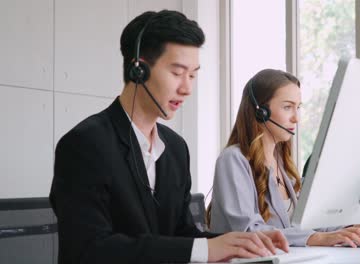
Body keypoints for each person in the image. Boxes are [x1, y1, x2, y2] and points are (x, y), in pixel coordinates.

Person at [49, 10, 288, 264]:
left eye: (193, 75)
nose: (187, 89)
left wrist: (240, 244)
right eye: (177, 73)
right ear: (138, 69)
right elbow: (89, 249)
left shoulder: (175, 148)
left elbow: (181, 235)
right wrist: (207, 249)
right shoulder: (85, 144)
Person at [208, 69, 360, 248]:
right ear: (261, 111)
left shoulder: (283, 165)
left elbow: (309, 227)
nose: (296, 118)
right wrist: (318, 239)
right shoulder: (233, 160)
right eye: (287, 107)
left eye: (298, 107)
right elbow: (247, 230)